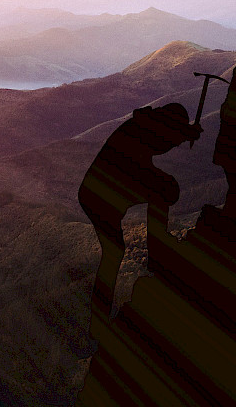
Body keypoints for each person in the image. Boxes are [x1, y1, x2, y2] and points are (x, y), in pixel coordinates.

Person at [78, 103, 201, 339]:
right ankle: (157, 253)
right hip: (101, 196)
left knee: (114, 254)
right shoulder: (142, 134)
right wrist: (185, 134)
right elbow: (160, 142)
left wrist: (184, 133)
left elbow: (161, 141)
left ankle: (99, 319)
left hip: (102, 192)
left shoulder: (143, 127)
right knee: (114, 254)